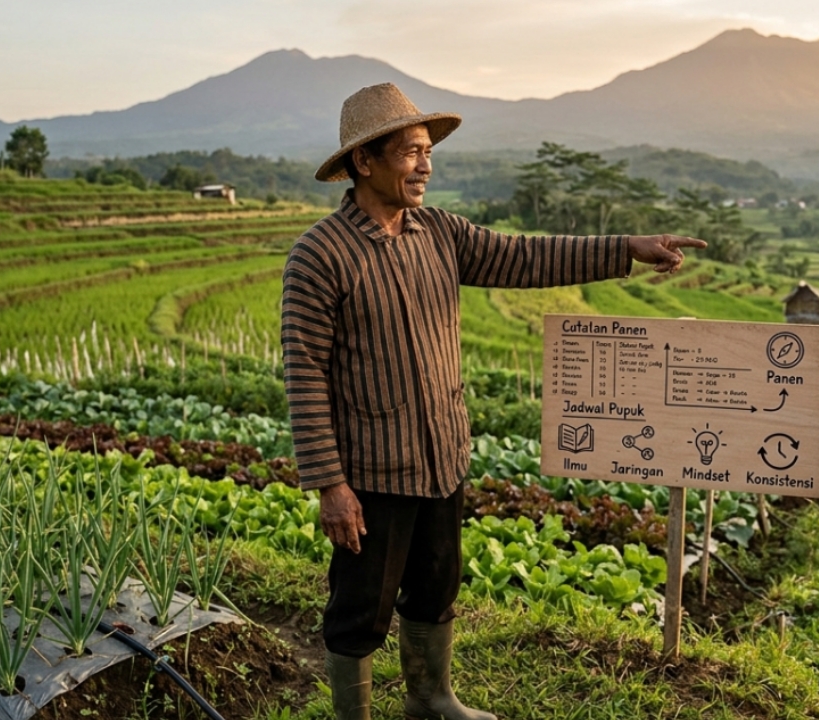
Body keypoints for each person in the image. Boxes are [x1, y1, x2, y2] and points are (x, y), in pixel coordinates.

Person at [280, 83, 705, 720]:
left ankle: (432, 700)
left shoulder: (439, 233)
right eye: (409, 153)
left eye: (427, 151)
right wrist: (330, 485)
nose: (425, 165)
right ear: (363, 162)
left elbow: (525, 256)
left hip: (441, 456)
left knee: (435, 587)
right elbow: (305, 375)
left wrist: (626, 249)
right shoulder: (321, 256)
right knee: (359, 608)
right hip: (372, 472)